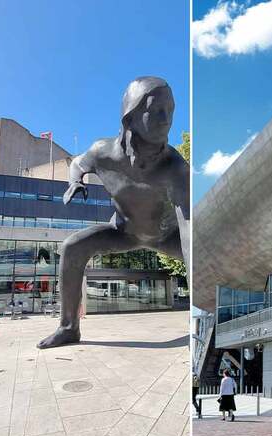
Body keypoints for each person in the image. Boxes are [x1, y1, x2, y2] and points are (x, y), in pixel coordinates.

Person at [36, 77, 190, 349]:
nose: (166, 119)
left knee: (199, 256)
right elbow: (77, 164)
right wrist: (76, 181)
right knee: (72, 246)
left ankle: (205, 323)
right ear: (130, 116)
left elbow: (187, 223)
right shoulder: (102, 152)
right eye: (155, 110)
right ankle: (68, 327)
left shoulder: (175, 166)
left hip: (166, 236)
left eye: (170, 110)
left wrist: (195, 259)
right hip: (123, 232)